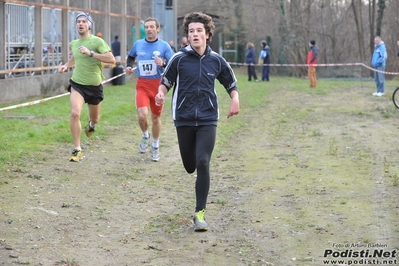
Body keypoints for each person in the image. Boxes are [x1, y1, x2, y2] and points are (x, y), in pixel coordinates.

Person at [155, 12, 240, 232]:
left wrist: (235, 100)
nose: (195, 34)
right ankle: (193, 173)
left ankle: (200, 213)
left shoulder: (216, 60)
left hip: (207, 117)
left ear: (208, 34)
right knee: (190, 166)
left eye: (199, 31)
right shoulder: (178, 58)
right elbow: (166, 81)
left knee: (203, 162)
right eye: (191, 31)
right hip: (183, 118)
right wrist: (161, 93)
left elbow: (230, 82)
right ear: (187, 35)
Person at [58, 13, 115, 162]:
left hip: (94, 86)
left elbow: (111, 59)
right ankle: (77, 149)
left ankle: (91, 125)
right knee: (75, 113)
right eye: (78, 22)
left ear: (89, 25)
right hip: (77, 84)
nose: (80, 24)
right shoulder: (75, 43)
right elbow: (75, 57)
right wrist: (66, 65)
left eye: (84, 21)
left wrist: (91, 53)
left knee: (95, 118)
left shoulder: (97, 41)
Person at [126, 17, 174, 162]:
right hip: (142, 85)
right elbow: (130, 56)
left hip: (158, 86)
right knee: (142, 115)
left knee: (155, 117)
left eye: (152, 27)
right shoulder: (138, 44)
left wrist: (163, 63)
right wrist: (129, 66)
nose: (148, 29)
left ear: (157, 29)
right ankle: (145, 134)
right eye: (146, 27)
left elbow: (173, 65)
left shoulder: (164, 46)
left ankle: (155, 145)